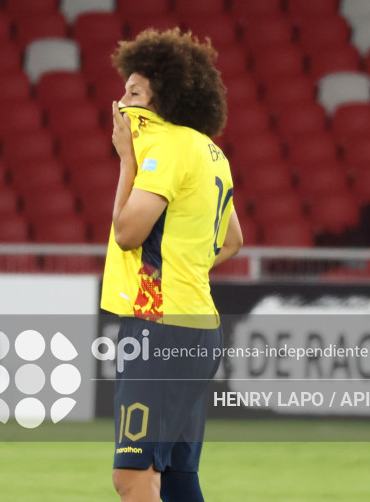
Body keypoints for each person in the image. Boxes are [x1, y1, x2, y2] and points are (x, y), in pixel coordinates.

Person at [101, 29, 244, 502]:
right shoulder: (211, 152)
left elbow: (127, 233)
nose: (122, 102)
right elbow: (233, 240)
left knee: (133, 476)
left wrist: (127, 160)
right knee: (179, 479)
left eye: (135, 92)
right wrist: (184, 269)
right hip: (199, 325)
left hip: (160, 327)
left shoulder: (166, 149)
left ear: (166, 98)